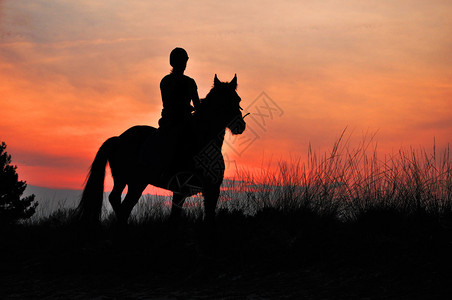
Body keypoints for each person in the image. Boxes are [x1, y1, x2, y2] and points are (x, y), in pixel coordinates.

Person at [158, 47, 200, 129]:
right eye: (182, 61)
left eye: (184, 61)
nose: (184, 64)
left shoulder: (165, 80)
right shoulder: (189, 82)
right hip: (179, 122)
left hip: (169, 121)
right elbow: (198, 107)